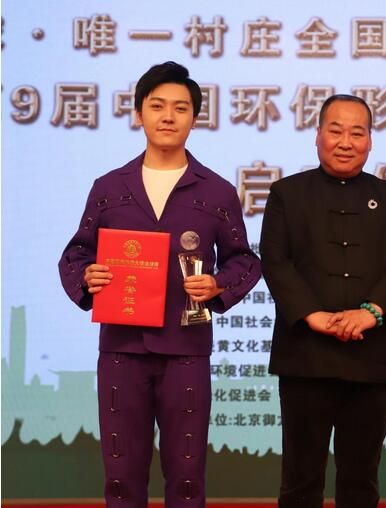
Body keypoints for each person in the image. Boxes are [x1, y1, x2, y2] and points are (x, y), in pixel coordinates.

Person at [58, 61, 261, 507]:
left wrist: (217, 285)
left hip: (186, 347)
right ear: (138, 114)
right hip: (121, 349)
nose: (168, 117)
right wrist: (88, 277)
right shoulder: (109, 188)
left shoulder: (217, 191)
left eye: (180, 108)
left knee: (187, 476)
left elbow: (245, 260)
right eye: (157, 106)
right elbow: (76, 254)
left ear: (195, 118)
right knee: (121, 475)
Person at [260, 94, 386, 508]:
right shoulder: (286, 193)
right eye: (335, 131)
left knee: (361, 479)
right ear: (317, 135)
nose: (346, 142)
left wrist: (371, 312)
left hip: (371, 356)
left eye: (357, 133)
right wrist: (312, 315)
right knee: (300, 478)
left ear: (370, 140)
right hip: (305, 356)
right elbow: (275, 260)